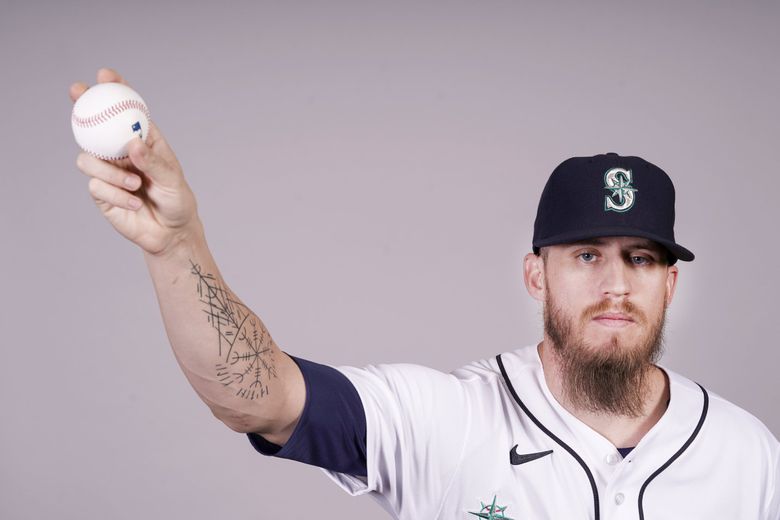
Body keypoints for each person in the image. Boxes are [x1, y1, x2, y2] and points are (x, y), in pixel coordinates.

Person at [72, 69, 779, 519]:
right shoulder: (445, 422)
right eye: (587, 254)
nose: (616, 284)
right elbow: (256, 397)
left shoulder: (749, 455)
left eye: (642, 258)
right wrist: (177, 243)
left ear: (670, 282)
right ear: (536, 274)